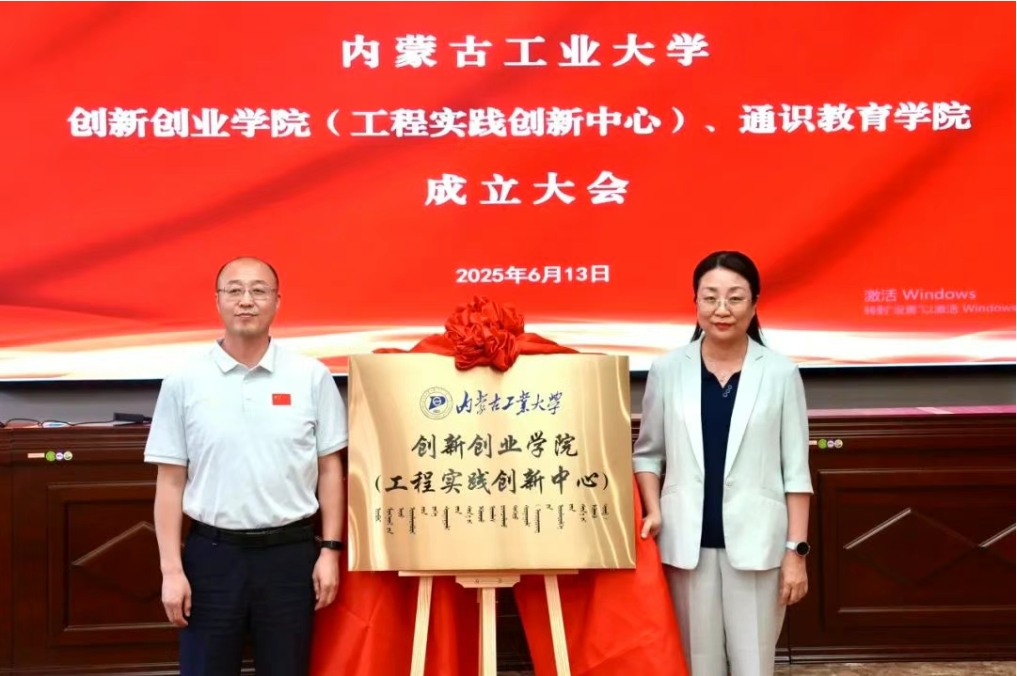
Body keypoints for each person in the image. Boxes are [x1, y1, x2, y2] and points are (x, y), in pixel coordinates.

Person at [144, 256, 348, 676]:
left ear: (277, 301)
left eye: (259, 290)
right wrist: (171, 571)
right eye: (234, 290)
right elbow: (170, 481)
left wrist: (330, 551)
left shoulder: (311, 376)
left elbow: (330, 470)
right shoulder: (184, 380)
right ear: (218, 300)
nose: (246, 300)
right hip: (212, 558)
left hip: (290, 557)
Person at [632, 251, 813, 676]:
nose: (722, 309)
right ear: (695, 302)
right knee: (698, 665)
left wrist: (796, 552)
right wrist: (654, 510)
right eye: (710, 297)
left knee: (754, 666)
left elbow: (796, 472)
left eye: (735, 298)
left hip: (759, 547)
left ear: (754, 303)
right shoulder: (667, 370)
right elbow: (648, 453)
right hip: (685, 545)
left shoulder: (781, 373)